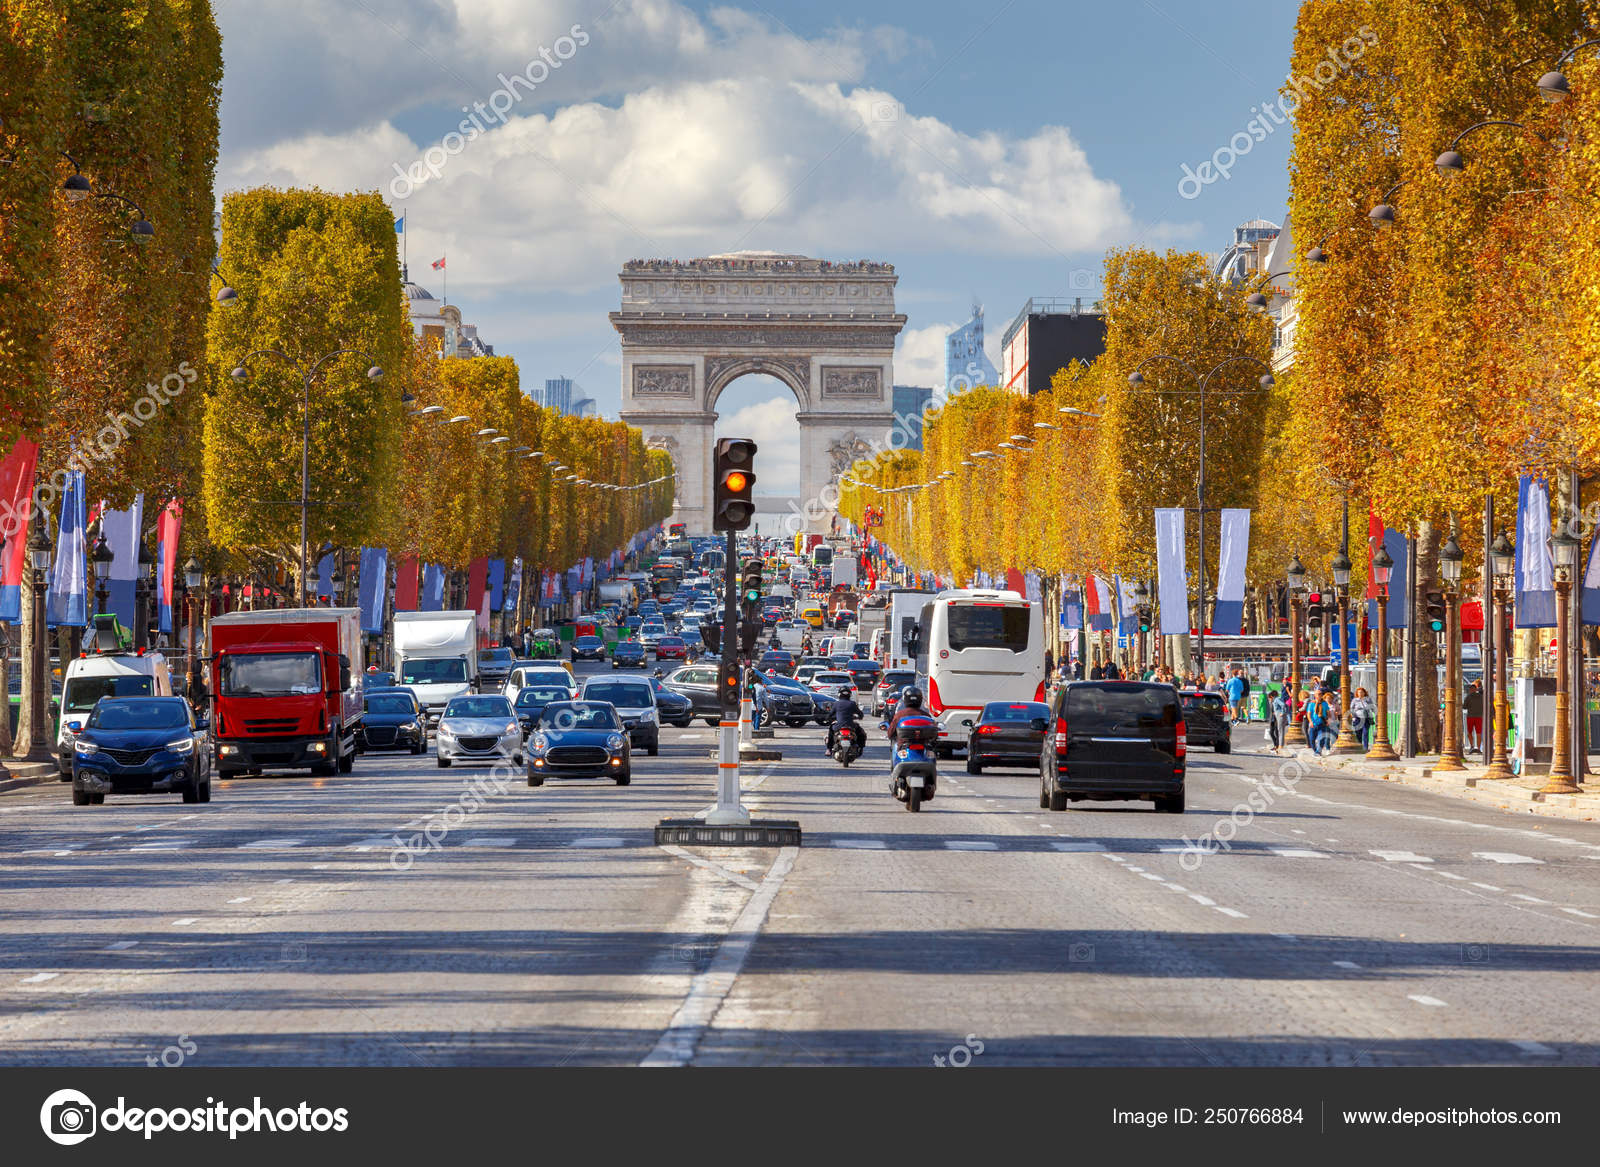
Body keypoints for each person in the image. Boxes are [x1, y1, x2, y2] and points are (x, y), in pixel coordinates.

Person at [825, 685, 864, 756]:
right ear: (849, 695)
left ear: (839, 694)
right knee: (861, 733)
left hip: (838, 726)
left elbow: (830, 714)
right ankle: (860, 748)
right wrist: (859, 717)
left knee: (830, 731)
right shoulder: (852, 703)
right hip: (851, 726)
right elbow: (860, 714)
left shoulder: (836, 703)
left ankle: (828, 749)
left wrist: (828, 718)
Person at [1350, 686, 1375, 750]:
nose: (1360, 693)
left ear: (1364, 693)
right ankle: (1359, 746)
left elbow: (1372, 707)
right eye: (1359, 692)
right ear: (1357, 693)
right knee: (1358, 733)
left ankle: (1365, 747)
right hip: (1357, 718)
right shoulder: (1355, 700)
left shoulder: (1368, 699)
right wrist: (1353, 715)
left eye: (1362, 692)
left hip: (1366, 718)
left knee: (1365, 732)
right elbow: (1351, 708)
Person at [1464, 679, 1484, 755]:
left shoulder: (1468, 697)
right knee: (1478, 733)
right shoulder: (1481, 696)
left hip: (1470, 716)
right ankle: (1478, 748)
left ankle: (1472, 746)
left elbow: (1464, 707)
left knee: (1469, 732)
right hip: (1479, 716)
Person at [1267, 686, 1287, 754]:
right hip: (1275, 717)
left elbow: (1283, 705)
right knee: (1275, 731)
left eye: (1270, 697)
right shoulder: (1274, 701)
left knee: (1279, 731)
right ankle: (1278, 745)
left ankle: (1280, 745)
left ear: (1272, 696)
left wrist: (1282, 712)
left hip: (1278, 716)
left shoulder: (1277, 699)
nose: (1269, 699)